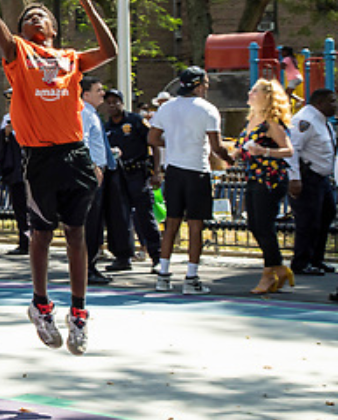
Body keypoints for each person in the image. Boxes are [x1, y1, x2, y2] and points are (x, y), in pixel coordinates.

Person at [0, 0, 116, 356]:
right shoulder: (17, 54)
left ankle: (80, 313)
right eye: (27, 16)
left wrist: (87, 4)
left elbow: (110, 49)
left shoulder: (70, 59)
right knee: (42, 233)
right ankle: (41, 304)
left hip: (75, 155)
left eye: (40, 15)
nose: (34, 18)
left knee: (77, 234)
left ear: (52, 27)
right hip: (40, 158)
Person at [148, 66, 233, 295]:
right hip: (197, 171)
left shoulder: (167, 107)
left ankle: (163, 275)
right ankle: (191, 277)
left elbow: (153, 137)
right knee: (195, 225)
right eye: (205, 83)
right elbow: (216, 147)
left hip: (174, 170)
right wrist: (230, 158)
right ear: (197, 85)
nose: (206, 87)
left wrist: (175, 144)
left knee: (171, 223)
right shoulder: (207, 110)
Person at [230, 79, 295, 293]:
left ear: (266, 96)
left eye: (255, 91)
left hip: (270, 178)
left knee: (264, 226)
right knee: (254, 225)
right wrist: (236, 153)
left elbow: (288, 150)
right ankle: (278, 267)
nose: (250, 93)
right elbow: (242, 148)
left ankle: (269, 273)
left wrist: (264, 152)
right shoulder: (251, 120)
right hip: (253, 177)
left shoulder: (271, 123)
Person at [102, 89, 162, 271]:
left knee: (145, 215)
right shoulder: (107, 127)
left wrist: (156, 171)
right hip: (118, 175)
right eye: (109, 102)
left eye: (116, 101)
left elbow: (153, 144)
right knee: (119, 217)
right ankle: (123, 256)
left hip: (138, 173)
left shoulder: (135, 121)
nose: (112, 105)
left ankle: (157, 257)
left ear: (122, 102)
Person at [287, 88, 337, 277]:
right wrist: (294, 178)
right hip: (307, 178)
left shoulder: (322, 120)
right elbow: (293, 150)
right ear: (320, 103)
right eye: (332, 101)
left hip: (321, 178)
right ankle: (301, 262)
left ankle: (316, 259)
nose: (335, 105)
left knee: (326, 216)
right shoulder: (305, 120)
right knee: (308, 221)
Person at [79, 77, 117, 286]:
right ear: (86, 94)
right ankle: (87, 268)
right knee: (91, 223)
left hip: (97, 171)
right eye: (99, 90)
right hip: (91, 175)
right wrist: (93, 166)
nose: (103, 93)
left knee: (96, 222)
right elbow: (82, 141)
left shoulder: (91, 113)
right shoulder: (84, 113)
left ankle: (90, 265)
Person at [0, 108, 30, 256]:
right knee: (20, 209)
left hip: (33, 170)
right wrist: (6, 134)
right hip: (16, 173)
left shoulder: (32, 113)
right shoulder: (8, 118)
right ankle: (24, 242)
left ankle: (36, 242)